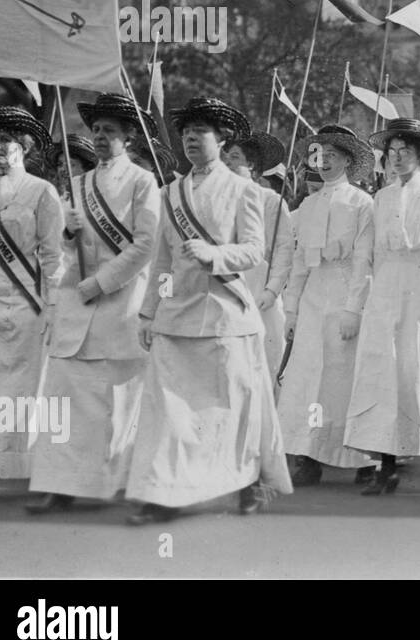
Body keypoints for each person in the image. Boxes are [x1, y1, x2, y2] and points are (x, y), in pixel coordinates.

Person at [127, 97, 291, 523]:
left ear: (222, 140)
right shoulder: (169, 194)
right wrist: (149, 311)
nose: (191, 139)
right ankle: (166, 492)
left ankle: (249, 480)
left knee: (233, 406)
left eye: (201, 132)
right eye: (186, 132)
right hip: (177, 314)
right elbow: (161, 262)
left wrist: (214, 254)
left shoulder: (244, 191)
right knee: (170, 410)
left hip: (225, 314)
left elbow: (255, 250)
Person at [27, 94, 161, 515]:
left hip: (118, 303)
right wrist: (68, 236)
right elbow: (64, 253)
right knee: (64, 397)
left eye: (110, 132)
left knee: (114, 401)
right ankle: (60, 484)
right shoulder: (78, 184)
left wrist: (100, 283)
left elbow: (145, 245)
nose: (100, 138)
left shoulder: (142, 182)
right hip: (76, 304)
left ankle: (110, 482)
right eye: (97, 131)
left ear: (129, 137)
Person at [344, 118, 420, 494]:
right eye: (392, 153)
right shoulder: (381, 197)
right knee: (384, 372)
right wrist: (359, 301)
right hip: (387, 290)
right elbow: (369, 255)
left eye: (406, 152)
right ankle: (385, 467)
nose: (398, 158)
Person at [0, 107, 64, 502]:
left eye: (4, 140)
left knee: (24, 390)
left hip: (27, 301)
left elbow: (54, 255)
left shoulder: (43, 192)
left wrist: (54, 304)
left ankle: (29, 466)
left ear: (23, 147)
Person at [281, 125, 378, 487]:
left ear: (348, 161)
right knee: (308, 378)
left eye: (332, 156)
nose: (323, 162)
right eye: (318, 155)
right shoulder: (307, 205)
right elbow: (299, 264)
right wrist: (291, 311)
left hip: (344, 294)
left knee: (344, 379)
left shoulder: (362, 204)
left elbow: (364, 261)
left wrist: (354, 308)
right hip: (312, 301)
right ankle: (308, 455)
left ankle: (362, 458)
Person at [223, 132, 293, 384]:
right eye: (226, 157)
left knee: (262, 362)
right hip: (226, 285)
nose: (228, 162)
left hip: (259, 288)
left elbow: (284, 250)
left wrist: (272, 290)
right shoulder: (218, 199)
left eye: (235, 157)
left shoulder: (271, 200)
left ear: (251, 164)